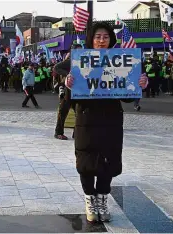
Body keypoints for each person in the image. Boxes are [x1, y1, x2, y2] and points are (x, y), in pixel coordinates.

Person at [61, 22, 148, 223]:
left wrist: (140, 83)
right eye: (98, 36)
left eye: (106, 37)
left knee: (108, 162)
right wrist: (68, 85)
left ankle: (102, 199)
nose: (101, 40)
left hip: (111, 121)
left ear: (111, 40)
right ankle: (90, 200)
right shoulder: (80, 61)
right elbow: (70, 99)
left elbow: (127, 96)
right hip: (87, 120)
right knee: (86, 162)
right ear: (91, 39)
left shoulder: (121, 61)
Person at [54, 43, 82, 140]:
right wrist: (68, 74)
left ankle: (76, 133)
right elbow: (56, 68)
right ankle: (58, 132)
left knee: (79, 113)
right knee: (63, 112)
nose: (79, 52)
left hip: (78, 91)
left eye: (80, 50)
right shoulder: (70, 61)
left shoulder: (82, 61)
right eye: (77, 50)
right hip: (67, 91)